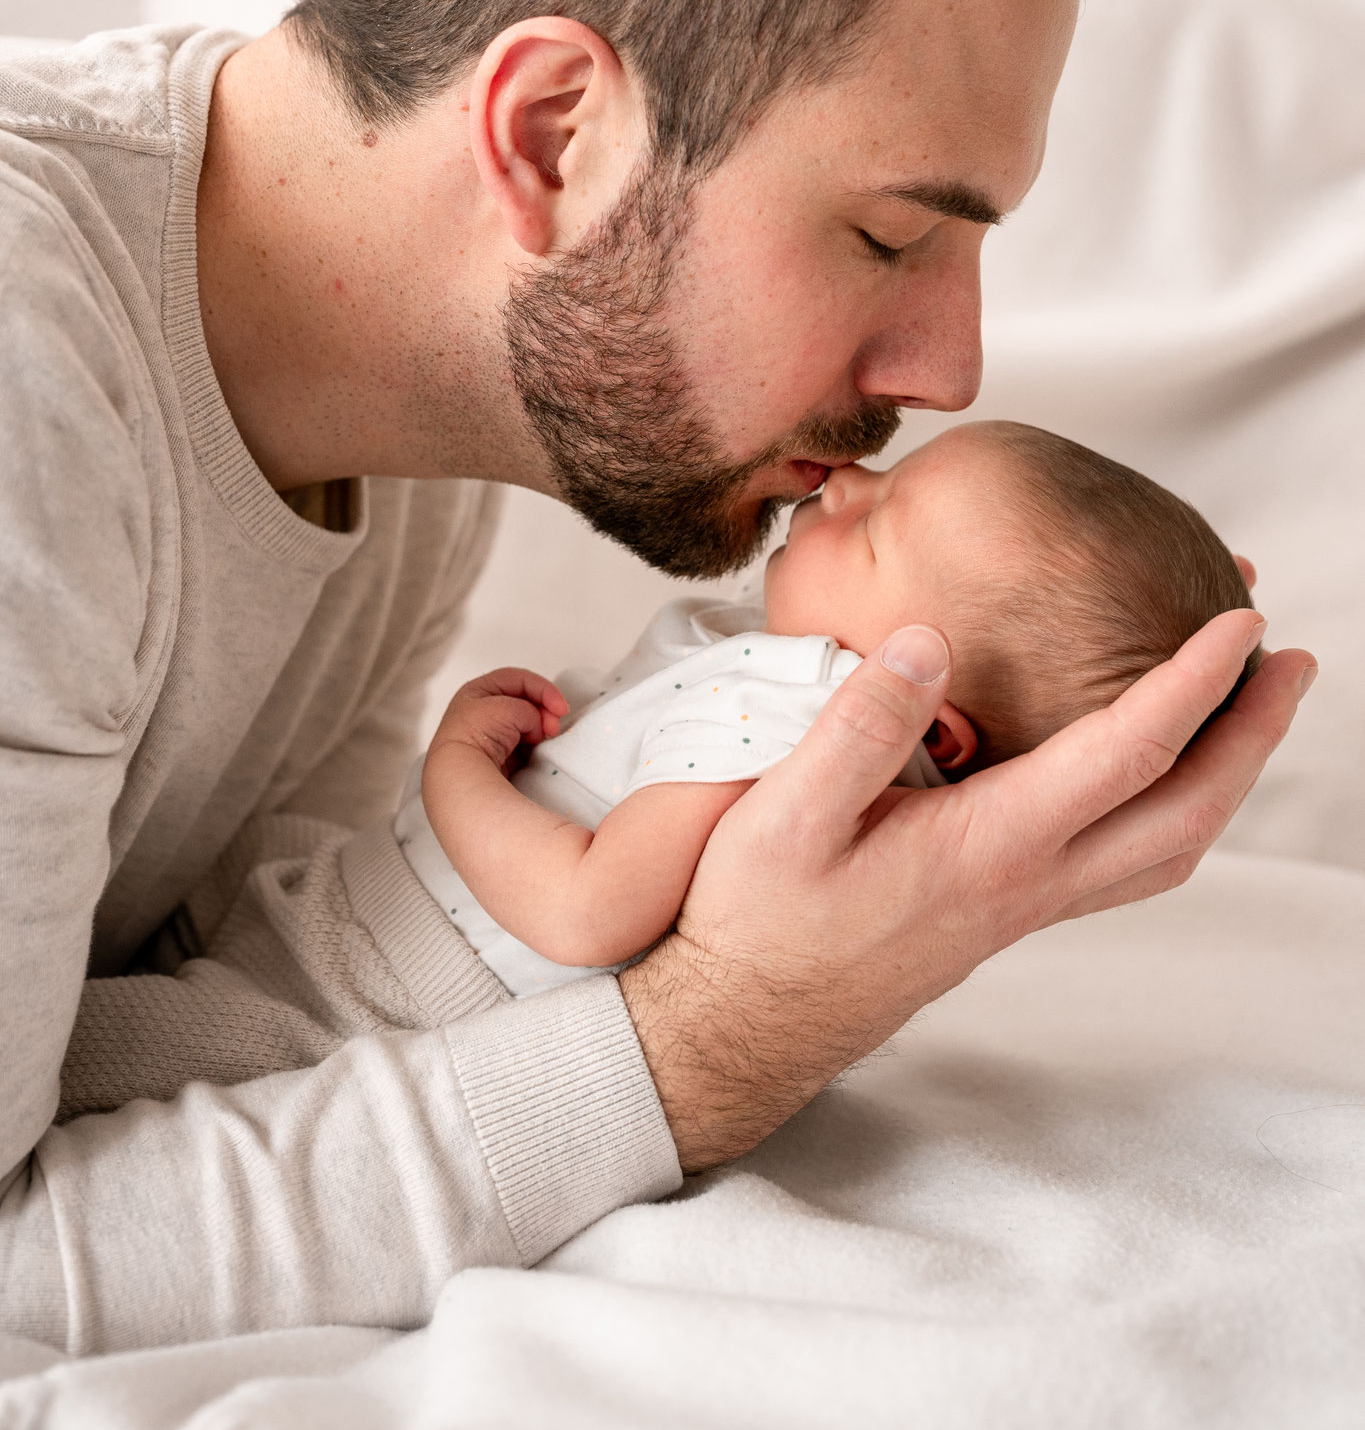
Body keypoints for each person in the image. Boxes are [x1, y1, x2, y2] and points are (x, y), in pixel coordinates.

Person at [0, 0, 1312, 1356]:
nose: (953, 369)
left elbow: (229, 1005)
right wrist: (735, 1029)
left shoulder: (425, 431)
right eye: (891, 234)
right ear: (555, 132)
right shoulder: (29, 372)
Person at [54, 417, 1267, 1101]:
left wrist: (459, 766)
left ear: (928, 724)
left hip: (365, 1004)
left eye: (878, 524)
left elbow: (589, 905)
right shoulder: (786, 670)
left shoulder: (796, 714)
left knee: (77, 1069)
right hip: (350, 929)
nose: (847, 480)